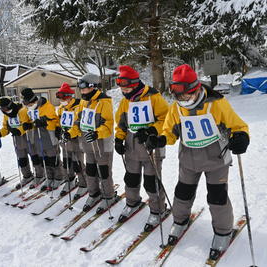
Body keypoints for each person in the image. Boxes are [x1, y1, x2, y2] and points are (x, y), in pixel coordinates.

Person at [145, 64, 249, 259]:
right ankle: (180, 221)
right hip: (189, 160)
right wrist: (160, 139)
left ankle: (223, 231)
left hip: (216, 160)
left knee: (217, 197)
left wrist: (241, 136)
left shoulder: (216, 103)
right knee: (182, 193)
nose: (183, 100)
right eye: (178, 96)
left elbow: (238, 125)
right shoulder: (177, 108)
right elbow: (169, 131)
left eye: (186, 96)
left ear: (196, 89)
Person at [114, 65, 169, 229]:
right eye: (122, 89)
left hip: (150, 145)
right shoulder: (126, 101)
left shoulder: (153, 97)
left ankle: (158, 209)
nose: (124, 91)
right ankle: (132, 202)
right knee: (131, 178)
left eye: (126, 87)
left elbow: (166, 119)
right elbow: (121, 123)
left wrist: (152, 130)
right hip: (132, 145)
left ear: (135, 83)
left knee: (151, 181)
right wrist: (118, 139)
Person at [62, 73, 117, 214]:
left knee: (104, 171)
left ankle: (108, 195)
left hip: (102, 145)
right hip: (87, 144)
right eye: (80, 88)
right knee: (91, 170)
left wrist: (97, 133)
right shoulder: (83, 102)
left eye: (84, 87)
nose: (82, 91)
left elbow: (109, 124)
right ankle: (93, 193)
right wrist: (70, 132)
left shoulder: (104, 101)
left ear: (92, 87)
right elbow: (78, 122)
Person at [20, 87, 63, 191]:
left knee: (53, 158)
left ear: (34, 101)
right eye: (26, 105)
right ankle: (49, 177)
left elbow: (55, 120)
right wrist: (27, 125)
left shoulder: (47, 106)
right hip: (37, 136)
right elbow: (29, 120)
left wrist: (45, 121)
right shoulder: (27, 109)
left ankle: (59, 177)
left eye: (30, 104)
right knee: (44, 159)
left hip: (48, 135)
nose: (28, 107)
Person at [55, 82, 88, 199]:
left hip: (76, 139)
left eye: (63, 97)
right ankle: (70, 180)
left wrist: (70, 133)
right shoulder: (61, 109)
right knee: (66, 162)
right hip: (65, 139)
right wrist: (58, 130)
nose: (61, 100)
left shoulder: (78, 107)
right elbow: (59, 122)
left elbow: (79, 125)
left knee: (77, 163)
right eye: (59, 97)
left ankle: (84, 183)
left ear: (70, 96)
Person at [0, 97, 35, 189]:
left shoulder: (22, 111)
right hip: (17, 139)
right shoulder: (6, 115)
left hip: (27, 137)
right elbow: (5, 128)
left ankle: (40, 175)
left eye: (5, 108)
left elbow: (27, 123)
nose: (5, 111)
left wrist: (19, 130)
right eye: (2, 109)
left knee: (34, 157)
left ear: (10, 105)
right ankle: (27, 175)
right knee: (22, 159)